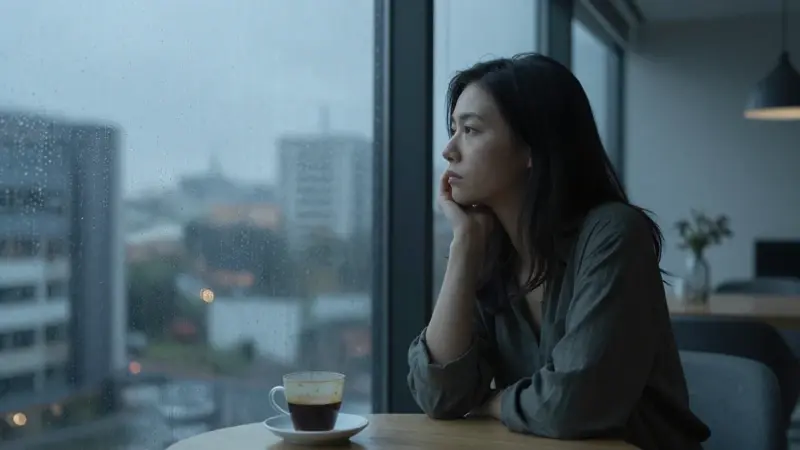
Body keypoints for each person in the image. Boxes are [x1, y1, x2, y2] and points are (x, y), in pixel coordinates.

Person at [407, 53, 711, 450]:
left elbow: (573, 404)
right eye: (453, 129)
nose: (449, 150)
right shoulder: (489, 251)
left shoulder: (613, 234)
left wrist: (489, 401)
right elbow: (440, 395)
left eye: (471, 130)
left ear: (532, 147)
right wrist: (464, 245)